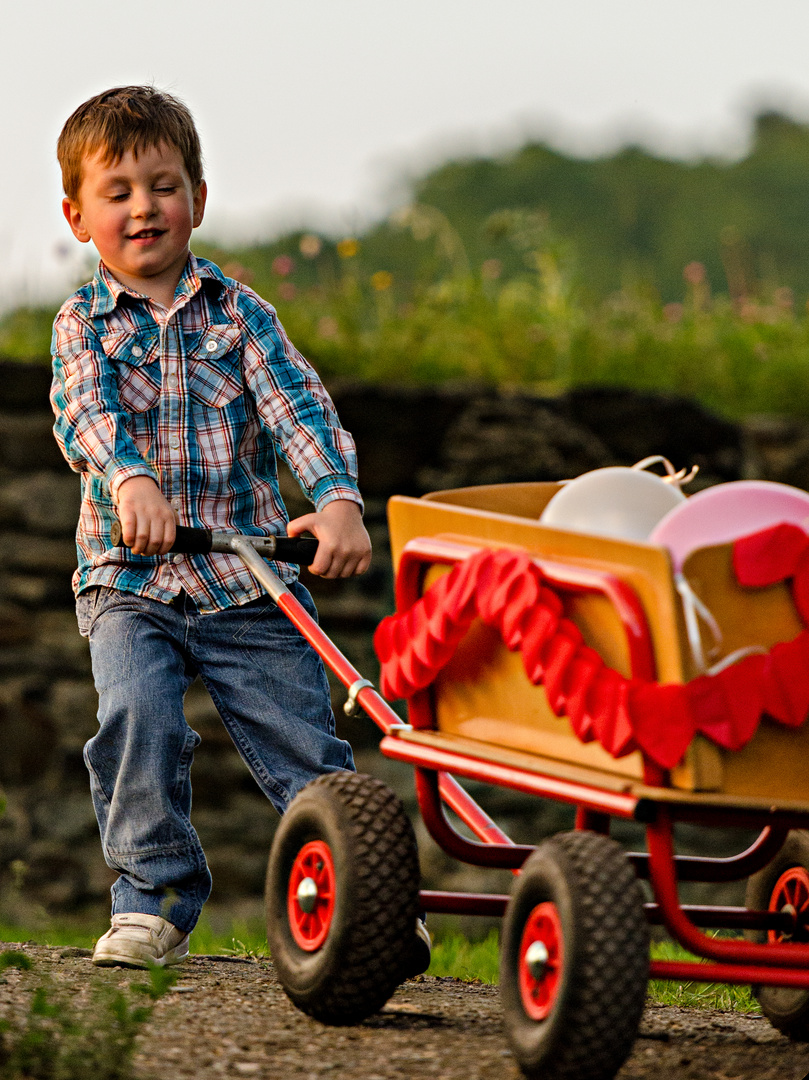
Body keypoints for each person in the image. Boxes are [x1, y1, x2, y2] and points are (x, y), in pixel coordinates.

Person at [49, 85, 424, 971]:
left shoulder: (241, 315)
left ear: (198, 200)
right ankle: (153, 897)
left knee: (306, 738)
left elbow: (300, 409)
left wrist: (335, 500)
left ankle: (365, 903)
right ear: (78, 217)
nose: (145, 207)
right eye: (119, 192)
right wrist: (130, 479)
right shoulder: (81, 325)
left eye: (164, 185)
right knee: (138, 715)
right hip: (129, 578)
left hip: (247, 575)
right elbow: (84, 415)